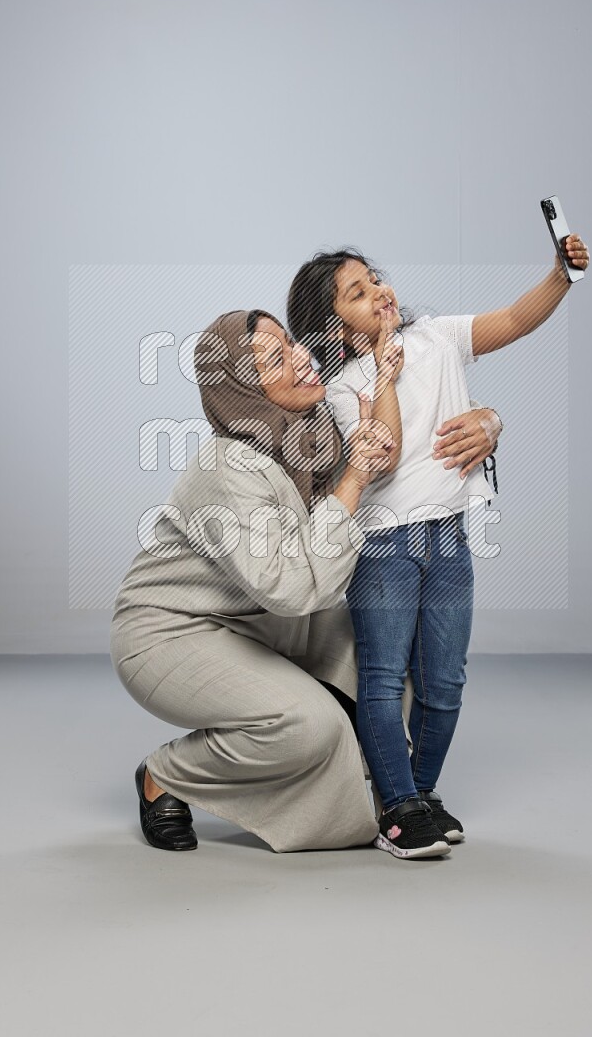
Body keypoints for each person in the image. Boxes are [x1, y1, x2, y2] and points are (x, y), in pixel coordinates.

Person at [286, 234, 590, 859]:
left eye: (375, 279)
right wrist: (384, 371)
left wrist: (560, 275)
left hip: (449, 536)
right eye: (357, 293)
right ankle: (397, 808)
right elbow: (386, 453)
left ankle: (420, 794)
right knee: (382, 676)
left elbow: (514, 319)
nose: (378, 292)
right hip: (383, 545)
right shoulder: (343, 385)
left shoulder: (436, 336)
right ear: (332, 325)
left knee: (445, 679)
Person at [111, 307, 398, 855]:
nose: (301, 358)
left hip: (265, 623)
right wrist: (355, 478)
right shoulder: (227, 467)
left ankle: (398, 797)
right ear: (241, 388)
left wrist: (487, 425)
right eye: (274, 359)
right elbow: (291, 588)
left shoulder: (310, 436)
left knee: (394, 655)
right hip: (171, 634)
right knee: (310, 726)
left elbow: (404, 450)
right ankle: (166, 775)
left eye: (290, 344)